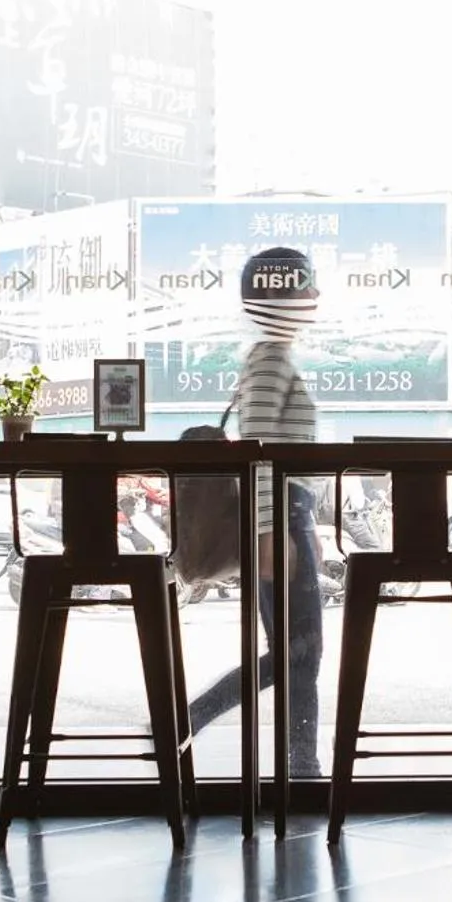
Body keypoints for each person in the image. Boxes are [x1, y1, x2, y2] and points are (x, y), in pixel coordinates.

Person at [186, 245, 325, 776]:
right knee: (300, 650)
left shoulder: (274, 356)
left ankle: (299, 762)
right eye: (306, 286)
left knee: (297, 650)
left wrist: (305, 526)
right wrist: (272, 530)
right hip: (281, 515)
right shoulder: (269, 357)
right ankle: (301, 767)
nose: (314, 296)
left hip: (293, 513)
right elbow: (259, 450)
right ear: (281, 297)